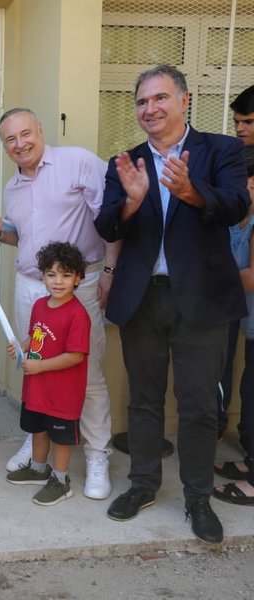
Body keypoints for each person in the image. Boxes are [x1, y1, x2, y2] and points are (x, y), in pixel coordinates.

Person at [95, 65, 250, 544]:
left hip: (202, 300)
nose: (150, 109)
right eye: (142, 102)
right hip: (145, 298)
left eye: (160, 98)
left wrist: (189, 191)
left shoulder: (221, 150)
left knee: (200, 405)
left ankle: (198, 498)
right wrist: (132, 204)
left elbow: (235, 207)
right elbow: (106, 226)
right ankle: (143, 484)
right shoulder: (126, 161)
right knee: (142, 398)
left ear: (184, 101)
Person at [0, 107, 119, 500]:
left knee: (87, 373)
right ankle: (36, 444)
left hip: (80, 285)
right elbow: (23, 238)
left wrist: (110, 271)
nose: (20, 143)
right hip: (31, 286)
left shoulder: (77, 162)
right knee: (36, 371)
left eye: (25, 133)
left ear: (40, 131)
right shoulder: (13, 187)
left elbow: (110, 219)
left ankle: (97, 456)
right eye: (10, 139)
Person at [6, 242, 90, 506]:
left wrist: (40, 366)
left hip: (62, 394)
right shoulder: (40, 305)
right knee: (38, 431)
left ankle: (61, 479)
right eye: (52, 274)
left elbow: (76, 355)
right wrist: (23, 346)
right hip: (37, 389)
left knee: (61, 437)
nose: (58, 281)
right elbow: (36, 335)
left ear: (78, 278)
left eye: (66, 275)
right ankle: (39, 469)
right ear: (42, 276)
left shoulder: (78, 315)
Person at [214, 146, 254, 506]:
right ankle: (249, 464)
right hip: (246, 322)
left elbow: (252, 276)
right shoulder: (238, 219)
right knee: (247, 387)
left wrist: (210, 277)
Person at [217, 85, 254, 436]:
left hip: (235, 283)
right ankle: (214, 426)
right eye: (237, 121)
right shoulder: (231, 156)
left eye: (249, 121)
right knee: (219, 363)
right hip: (226, 292)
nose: (241, 128)